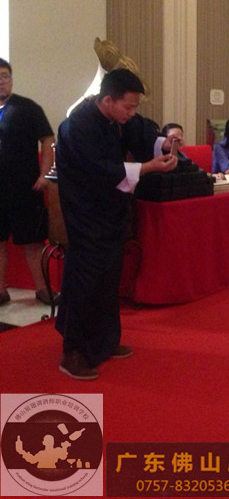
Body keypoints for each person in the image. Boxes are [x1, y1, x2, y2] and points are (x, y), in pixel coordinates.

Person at [56, 68, 178, 380]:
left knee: (109, 278)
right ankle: (74, 350)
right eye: (128, 106)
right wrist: (147, 167)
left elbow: (141, 133)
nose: (132, 113)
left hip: (112, 211)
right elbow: (98, 170)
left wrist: (164, 144)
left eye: (135, 106)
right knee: (87, 280)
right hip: (85, 213)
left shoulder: (118, 119)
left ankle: (104, 342)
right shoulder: (77, 125)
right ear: (108, 100)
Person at [0, 58, 55, 306]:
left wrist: (45, 174)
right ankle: (1, 292)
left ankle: (43, 290)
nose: (1, 81)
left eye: (5, 76)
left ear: (11, 79)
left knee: (32, 241)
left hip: (25, 187)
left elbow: (48, 139)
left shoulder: (28, 108)